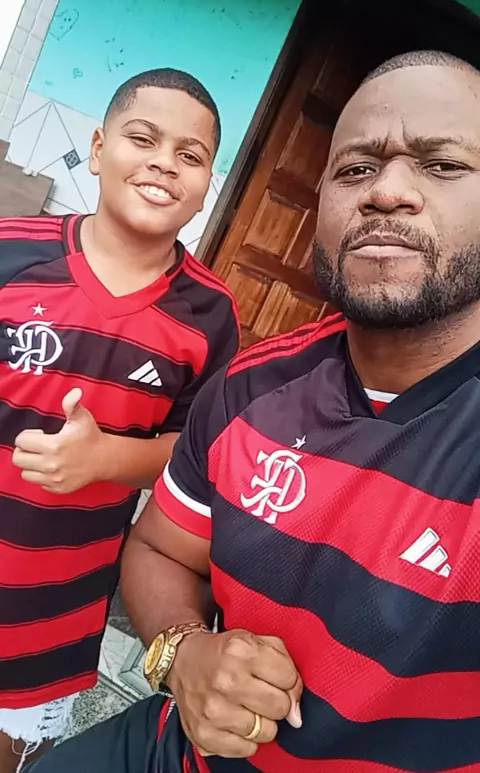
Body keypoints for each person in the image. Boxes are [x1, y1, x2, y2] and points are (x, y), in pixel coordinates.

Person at [25, 48, 480, 773]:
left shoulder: (207, 315)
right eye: (356, 168)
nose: (388, 191)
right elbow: (158, 548)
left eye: (444, 165)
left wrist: (105, 457)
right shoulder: (252, 386)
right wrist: (183, 652)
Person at [0, 68, 239, 772]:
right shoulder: (11, 251)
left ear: (206, 183)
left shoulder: (209, 315)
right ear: (100, 147)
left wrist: (107, 459)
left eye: (190, 155)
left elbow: (198, 450)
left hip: (54, 606)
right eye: (143, 138)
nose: (165, 163)